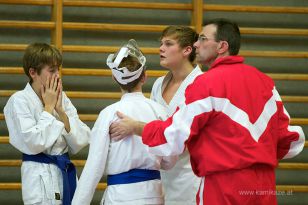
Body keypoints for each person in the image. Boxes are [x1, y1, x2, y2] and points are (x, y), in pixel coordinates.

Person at [109, 19, 305, 205]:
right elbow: (291, 140)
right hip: (263, 186)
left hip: (222, 185)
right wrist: (254, 157)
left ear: (222, 46)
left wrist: (135, 127)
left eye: (203, 39)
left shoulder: (206, 84)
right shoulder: (265, 82)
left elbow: (172, 136)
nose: (196, 45)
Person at [72, 39, 177, 205]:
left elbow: (94, 168)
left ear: (115, 78)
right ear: (145, 77)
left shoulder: (108, 114)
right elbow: (170, 161)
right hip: (154, 195)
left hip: (120, 196)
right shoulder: (160, 112)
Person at [3, 43, 90, 205]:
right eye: (52, 70)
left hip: (64, 171)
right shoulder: (19, 100)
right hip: (38, 174)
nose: (58, 75)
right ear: (33, 72)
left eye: (58, 69)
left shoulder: (61, 97)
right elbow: (33, 142)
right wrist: (49, 108)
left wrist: (61, 111)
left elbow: (81, 140)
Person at [151, 25, 202, 205]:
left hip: (189, 174)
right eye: (161, 43)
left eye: (168, 43)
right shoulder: (158, 84)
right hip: (160, 173)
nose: (161, 48)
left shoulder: (201, 84)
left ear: (187, 50)